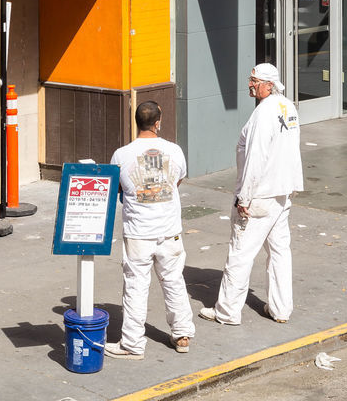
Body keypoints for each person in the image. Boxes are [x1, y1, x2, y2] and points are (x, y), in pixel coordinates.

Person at [199, 62, 303, 326]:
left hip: (259, 197)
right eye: (250, 79)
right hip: (281, 194)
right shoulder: (288, 107)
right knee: (280, 251)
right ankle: (281, 309)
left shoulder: (263, 114)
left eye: (254, 81)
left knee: (240, 252)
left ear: (269, 85)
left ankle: (227, 311)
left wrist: (244, 198)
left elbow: (255, 158)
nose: (250, 84)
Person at [105, 100, 195, 358]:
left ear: (136, 122)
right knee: (174, 281)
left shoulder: (121, 154)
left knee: (135, 286)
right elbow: (177, 181)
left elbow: (117, 189)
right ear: (158, 122)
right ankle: (182, 334)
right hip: (169, 230)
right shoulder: (175, 150)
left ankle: (132, 343)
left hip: (138, 232)